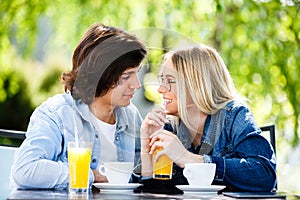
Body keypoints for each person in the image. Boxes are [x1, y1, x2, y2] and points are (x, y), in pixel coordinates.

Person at [11, 22, 147, 189]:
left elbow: (141, 176)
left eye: (137, 73)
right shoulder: (57, 114)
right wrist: (88, 175)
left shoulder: (131, 115)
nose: (137, 84)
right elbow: (25, 170)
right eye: (127, 76)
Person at [140, 44, 276, 192]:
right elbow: (156, 193)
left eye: (170, 81)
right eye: (162, 81)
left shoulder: (233, 116)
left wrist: (189, 158)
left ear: (197, 84)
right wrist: (146, 149)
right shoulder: (170, 127)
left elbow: (265, 174)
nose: (160, 89)